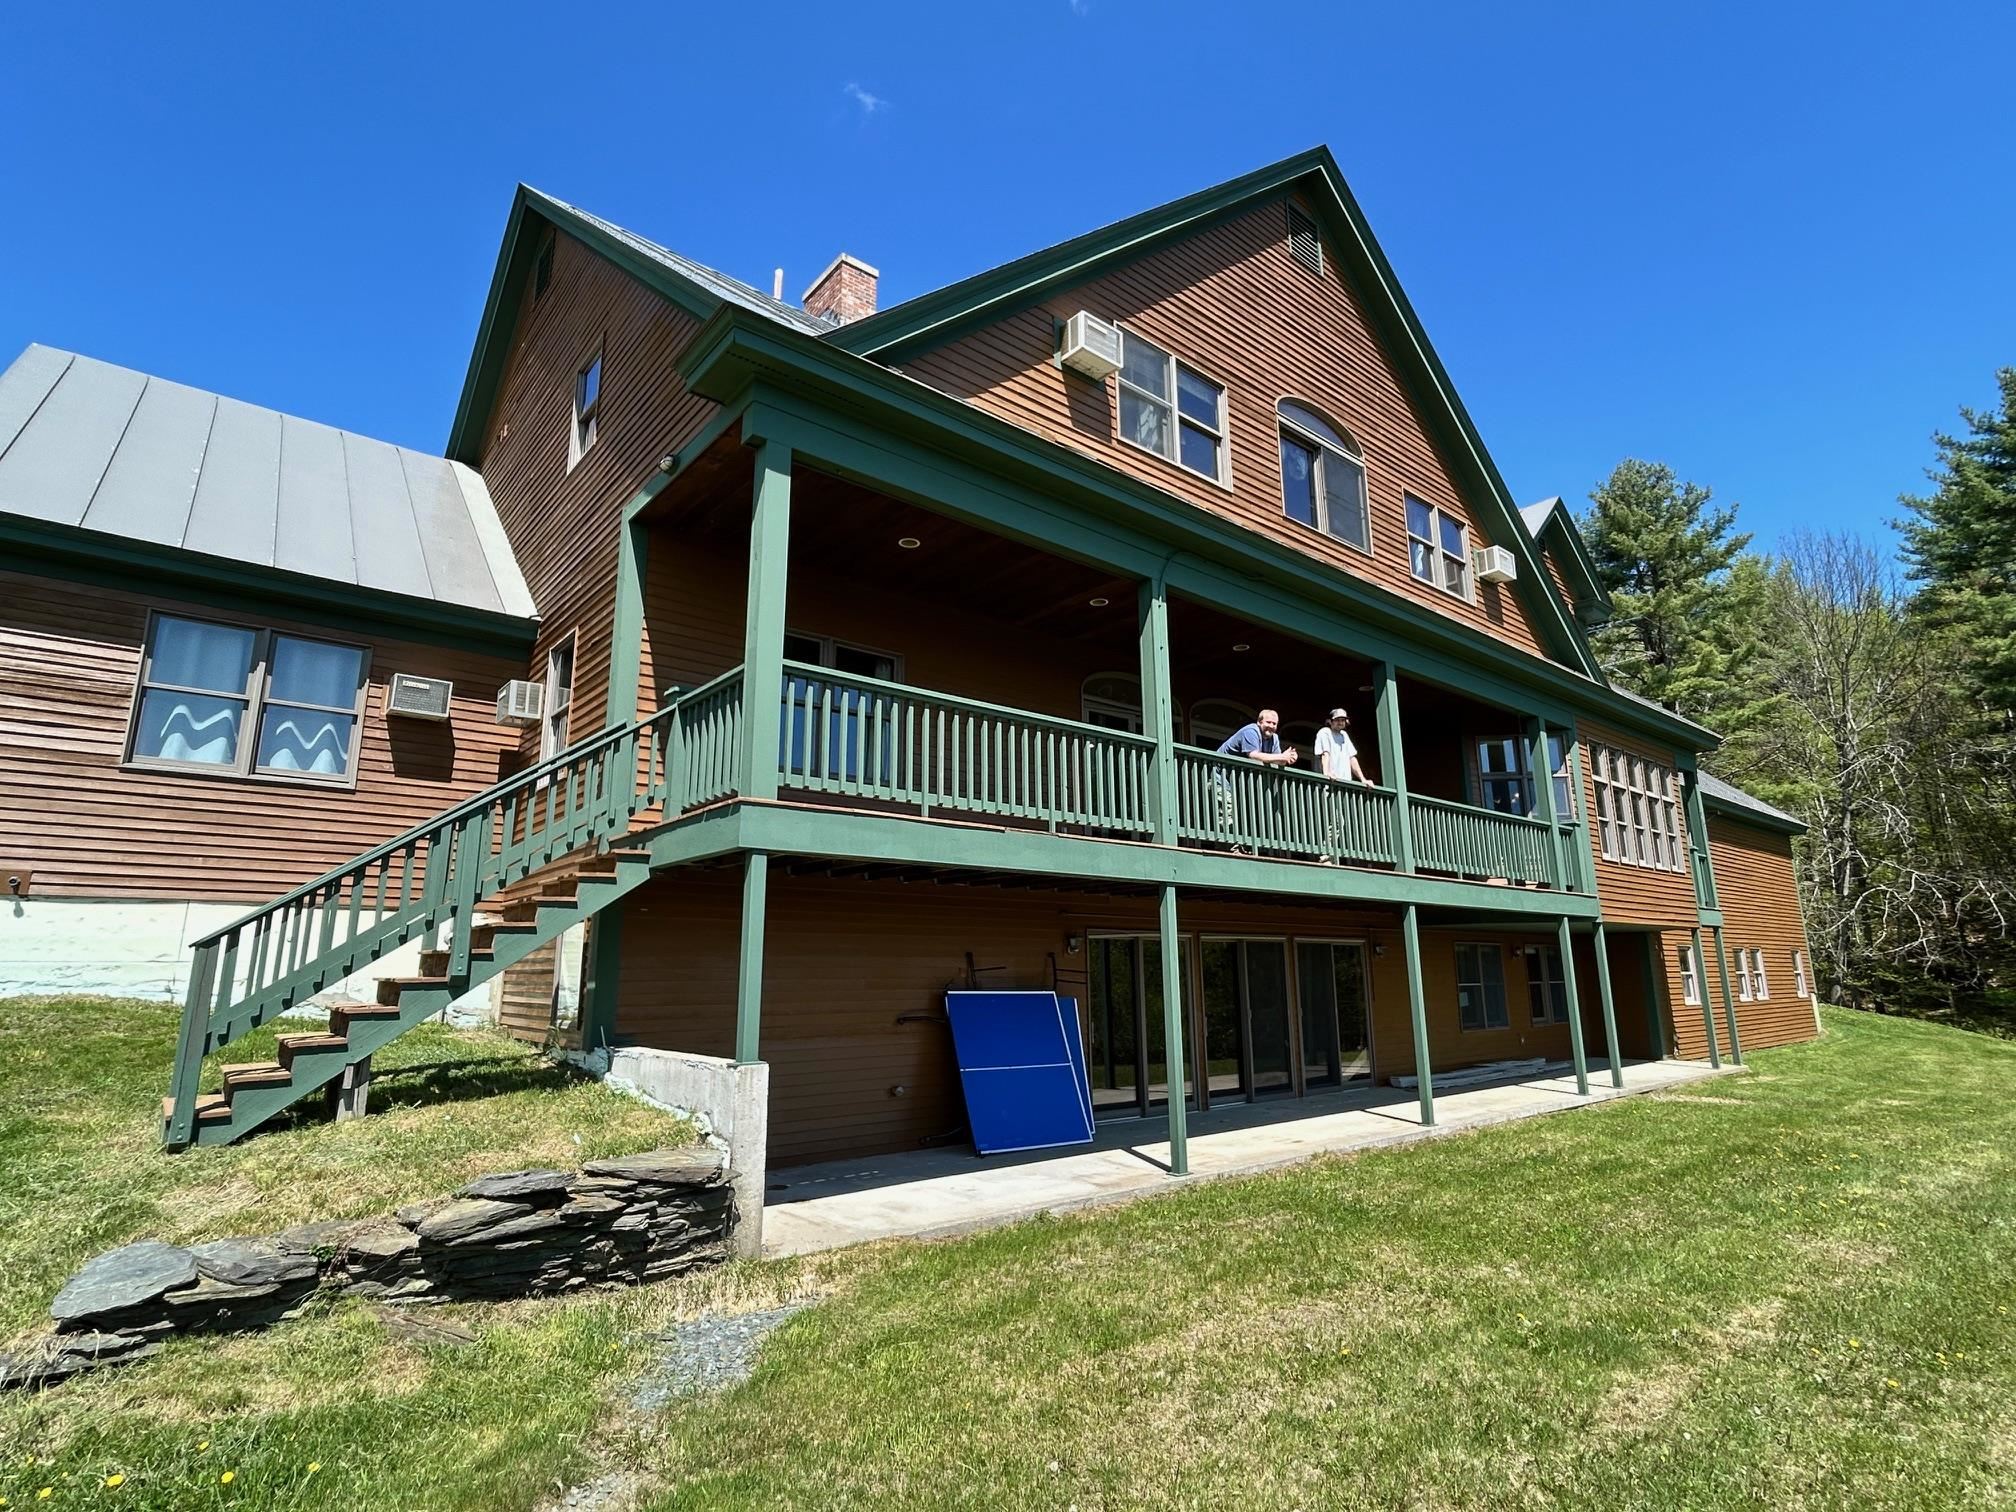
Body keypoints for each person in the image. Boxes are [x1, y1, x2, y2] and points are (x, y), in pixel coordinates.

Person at [1214, 708, 1298, 850]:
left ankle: (1241, 846)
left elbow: (1277, 759)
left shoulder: (1274, 738)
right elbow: (1253, 755)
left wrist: (1288, 759)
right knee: (1228, 809)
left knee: (1241, 811)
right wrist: (1281, 757)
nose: (1271, 726)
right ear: (1259, 722)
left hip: (1237, 780)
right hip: (1219, 775)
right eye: (1268, 722)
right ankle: (1228, 847)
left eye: (1274, 724)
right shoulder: (1251, 731)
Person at [1313, 706, 1373, 863]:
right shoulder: (1324, 733)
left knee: (1341, 822)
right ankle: (1325, 854)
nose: (1340, 723)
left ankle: (1332, 854)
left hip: (1343, 786)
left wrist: (1363, 779)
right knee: (1333, 820)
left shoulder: (1344, 736)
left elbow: (1352, 758)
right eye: (1337, 720)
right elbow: (1324, 754)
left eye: (1343, 720)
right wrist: (1327, 773)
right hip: (1329, 786)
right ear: (1330, 721)